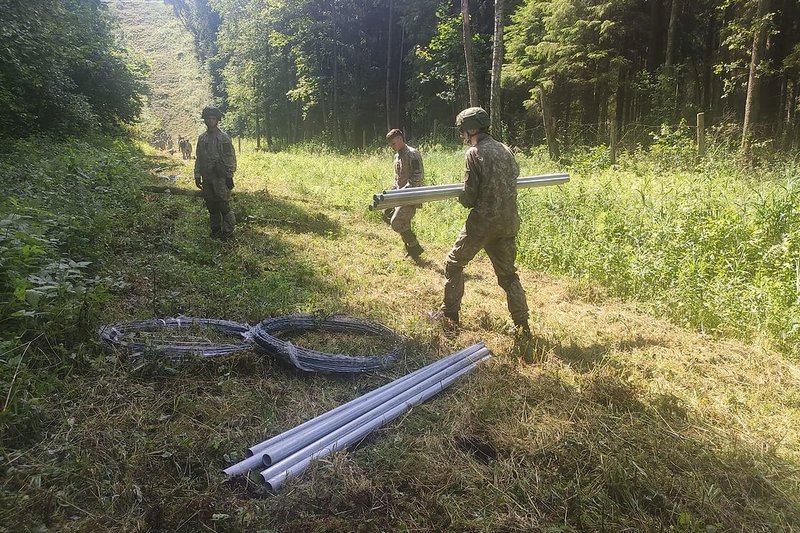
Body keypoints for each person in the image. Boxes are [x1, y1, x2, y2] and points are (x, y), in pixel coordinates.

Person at [438, 107, 530, 335]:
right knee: (508, 275)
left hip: (482, 224)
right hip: (508, 222)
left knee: (454, 264)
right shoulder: (506, 150)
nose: (462, 137)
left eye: (462, 132)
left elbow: (470, 197)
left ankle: (450, 317)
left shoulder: (474, 153)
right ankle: (522, 325)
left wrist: (460, 196)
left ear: (471, 130)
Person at [194, 106, 237, 240]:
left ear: (217, 120)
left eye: (213, 118)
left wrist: (229, 175)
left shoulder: (223, 138)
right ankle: (216, 229)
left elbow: (230, 157)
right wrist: (197, 174)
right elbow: (199, 157)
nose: (211, 121)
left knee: (223, 205)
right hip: (207, 177)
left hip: (220, 177)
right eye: (208, 118)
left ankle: (228, 231)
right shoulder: (202, 138)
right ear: (205, 120)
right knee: (211, 205)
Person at [384, 128, 424, 259]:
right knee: (389, 216)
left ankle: (415, 246)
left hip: (410, 195)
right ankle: (411, 250)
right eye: (390, 144)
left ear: (401, 139)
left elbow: (418, 175)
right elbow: (397, 178)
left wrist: (406, 190)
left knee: (397, 222)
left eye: (393, 143)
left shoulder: (412, 154)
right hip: (399, 195)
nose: (392, 147)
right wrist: (391, 194)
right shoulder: (397, 155)